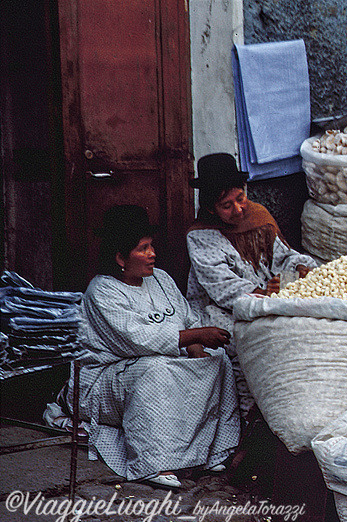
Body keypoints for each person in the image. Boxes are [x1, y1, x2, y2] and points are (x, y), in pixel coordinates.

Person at [69, 205, 241, 489]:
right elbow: (137, 340)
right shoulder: (101, 291)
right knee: (154, 369)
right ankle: (155, 462)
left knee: (218, 359)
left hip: (159, 364)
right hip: (106, 381)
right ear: (120, 257)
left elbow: (187, 318)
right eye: (143, 248)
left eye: (152, 246)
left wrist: (198, 349)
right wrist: (195, 335)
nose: (153, 254)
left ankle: (210, 452)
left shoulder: (160, 279)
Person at [186, 153, 318, 420]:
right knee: (244, 342)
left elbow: (284, 256)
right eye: (226, 205)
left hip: (268, 297)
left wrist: (300, 267)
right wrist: (261, 294)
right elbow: (223, 286)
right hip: (221, 307)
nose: (238, 209)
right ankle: (248, 416)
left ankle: (287, 408)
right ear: (211, 208)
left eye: (240, 198)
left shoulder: (259, 217)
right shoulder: (200, 235)